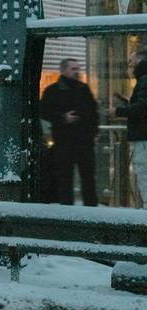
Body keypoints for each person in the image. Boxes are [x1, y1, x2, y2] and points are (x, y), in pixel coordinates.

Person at [40, 58, 99, 206]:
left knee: (88, 179)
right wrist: (62, 118)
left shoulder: (83, 89)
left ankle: (91, 210)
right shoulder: (53, 91)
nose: (77, 71)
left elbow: (93, 112)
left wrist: (93, 132)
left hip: (84, 142)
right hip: (64, 143)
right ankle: (68, 211)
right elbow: (43, 111)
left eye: (78, 68)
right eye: (73, 69)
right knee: (65, 179)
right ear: (64, 70)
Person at [114, 49, 147, 207]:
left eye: (131, 61)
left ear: (140, 61)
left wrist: (118, 111)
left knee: (145, 178)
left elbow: (142, 108)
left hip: (144, 139)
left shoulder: (144, 80)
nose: (129, 65)